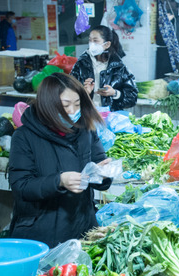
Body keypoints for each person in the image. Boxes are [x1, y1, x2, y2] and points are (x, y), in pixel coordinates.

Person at [8, 73, 112, 248]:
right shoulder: (24, 137)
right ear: (48, 106)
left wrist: (103, 173)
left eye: (77, 104)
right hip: (42, 235)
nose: (72, 111)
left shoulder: (85, 130)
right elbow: (21, 186)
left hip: (83, 228)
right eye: (66, 105)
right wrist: (59, 180)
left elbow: (100, 166)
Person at [70, 26, 138, 111]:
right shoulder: (80, 65)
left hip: (111, 117)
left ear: (107, 44)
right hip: (87, 116)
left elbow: (132, 98)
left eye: (95, 41)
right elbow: (68, 94)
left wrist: (114, 93)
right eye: (90, 40)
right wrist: (84, 92)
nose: (91, 44)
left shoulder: (119, 67)